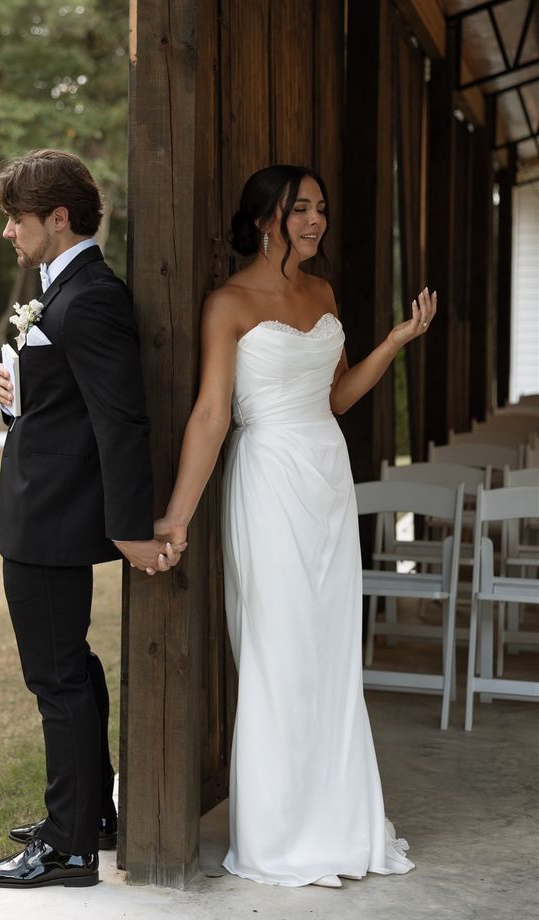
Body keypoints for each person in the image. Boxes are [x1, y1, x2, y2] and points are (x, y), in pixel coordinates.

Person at [155, 165, 433, 888]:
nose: (316, 220)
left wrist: (397, 340)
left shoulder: (323, 294)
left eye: (321, 208)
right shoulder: (229, 303)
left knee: (330, 652)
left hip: (326, 477)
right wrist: (176, 519)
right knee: (278, 650)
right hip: (268, 477)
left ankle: (342, 825)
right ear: (265, 218)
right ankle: (280, 836)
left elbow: (336, 395)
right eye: (301, 208)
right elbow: (212, 416)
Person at [0, 149, 184, 890]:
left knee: (56, 678)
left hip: (54, 521)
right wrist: (11, 396)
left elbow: (121, 419)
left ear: (57, 219)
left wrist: (130, 528)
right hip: (42, 512)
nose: (9, 234)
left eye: (16, 220)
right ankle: (90, 817)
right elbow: (63, 411)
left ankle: (65, 850)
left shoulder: (89, 295)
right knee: (75, 670)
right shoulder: (62, 291)